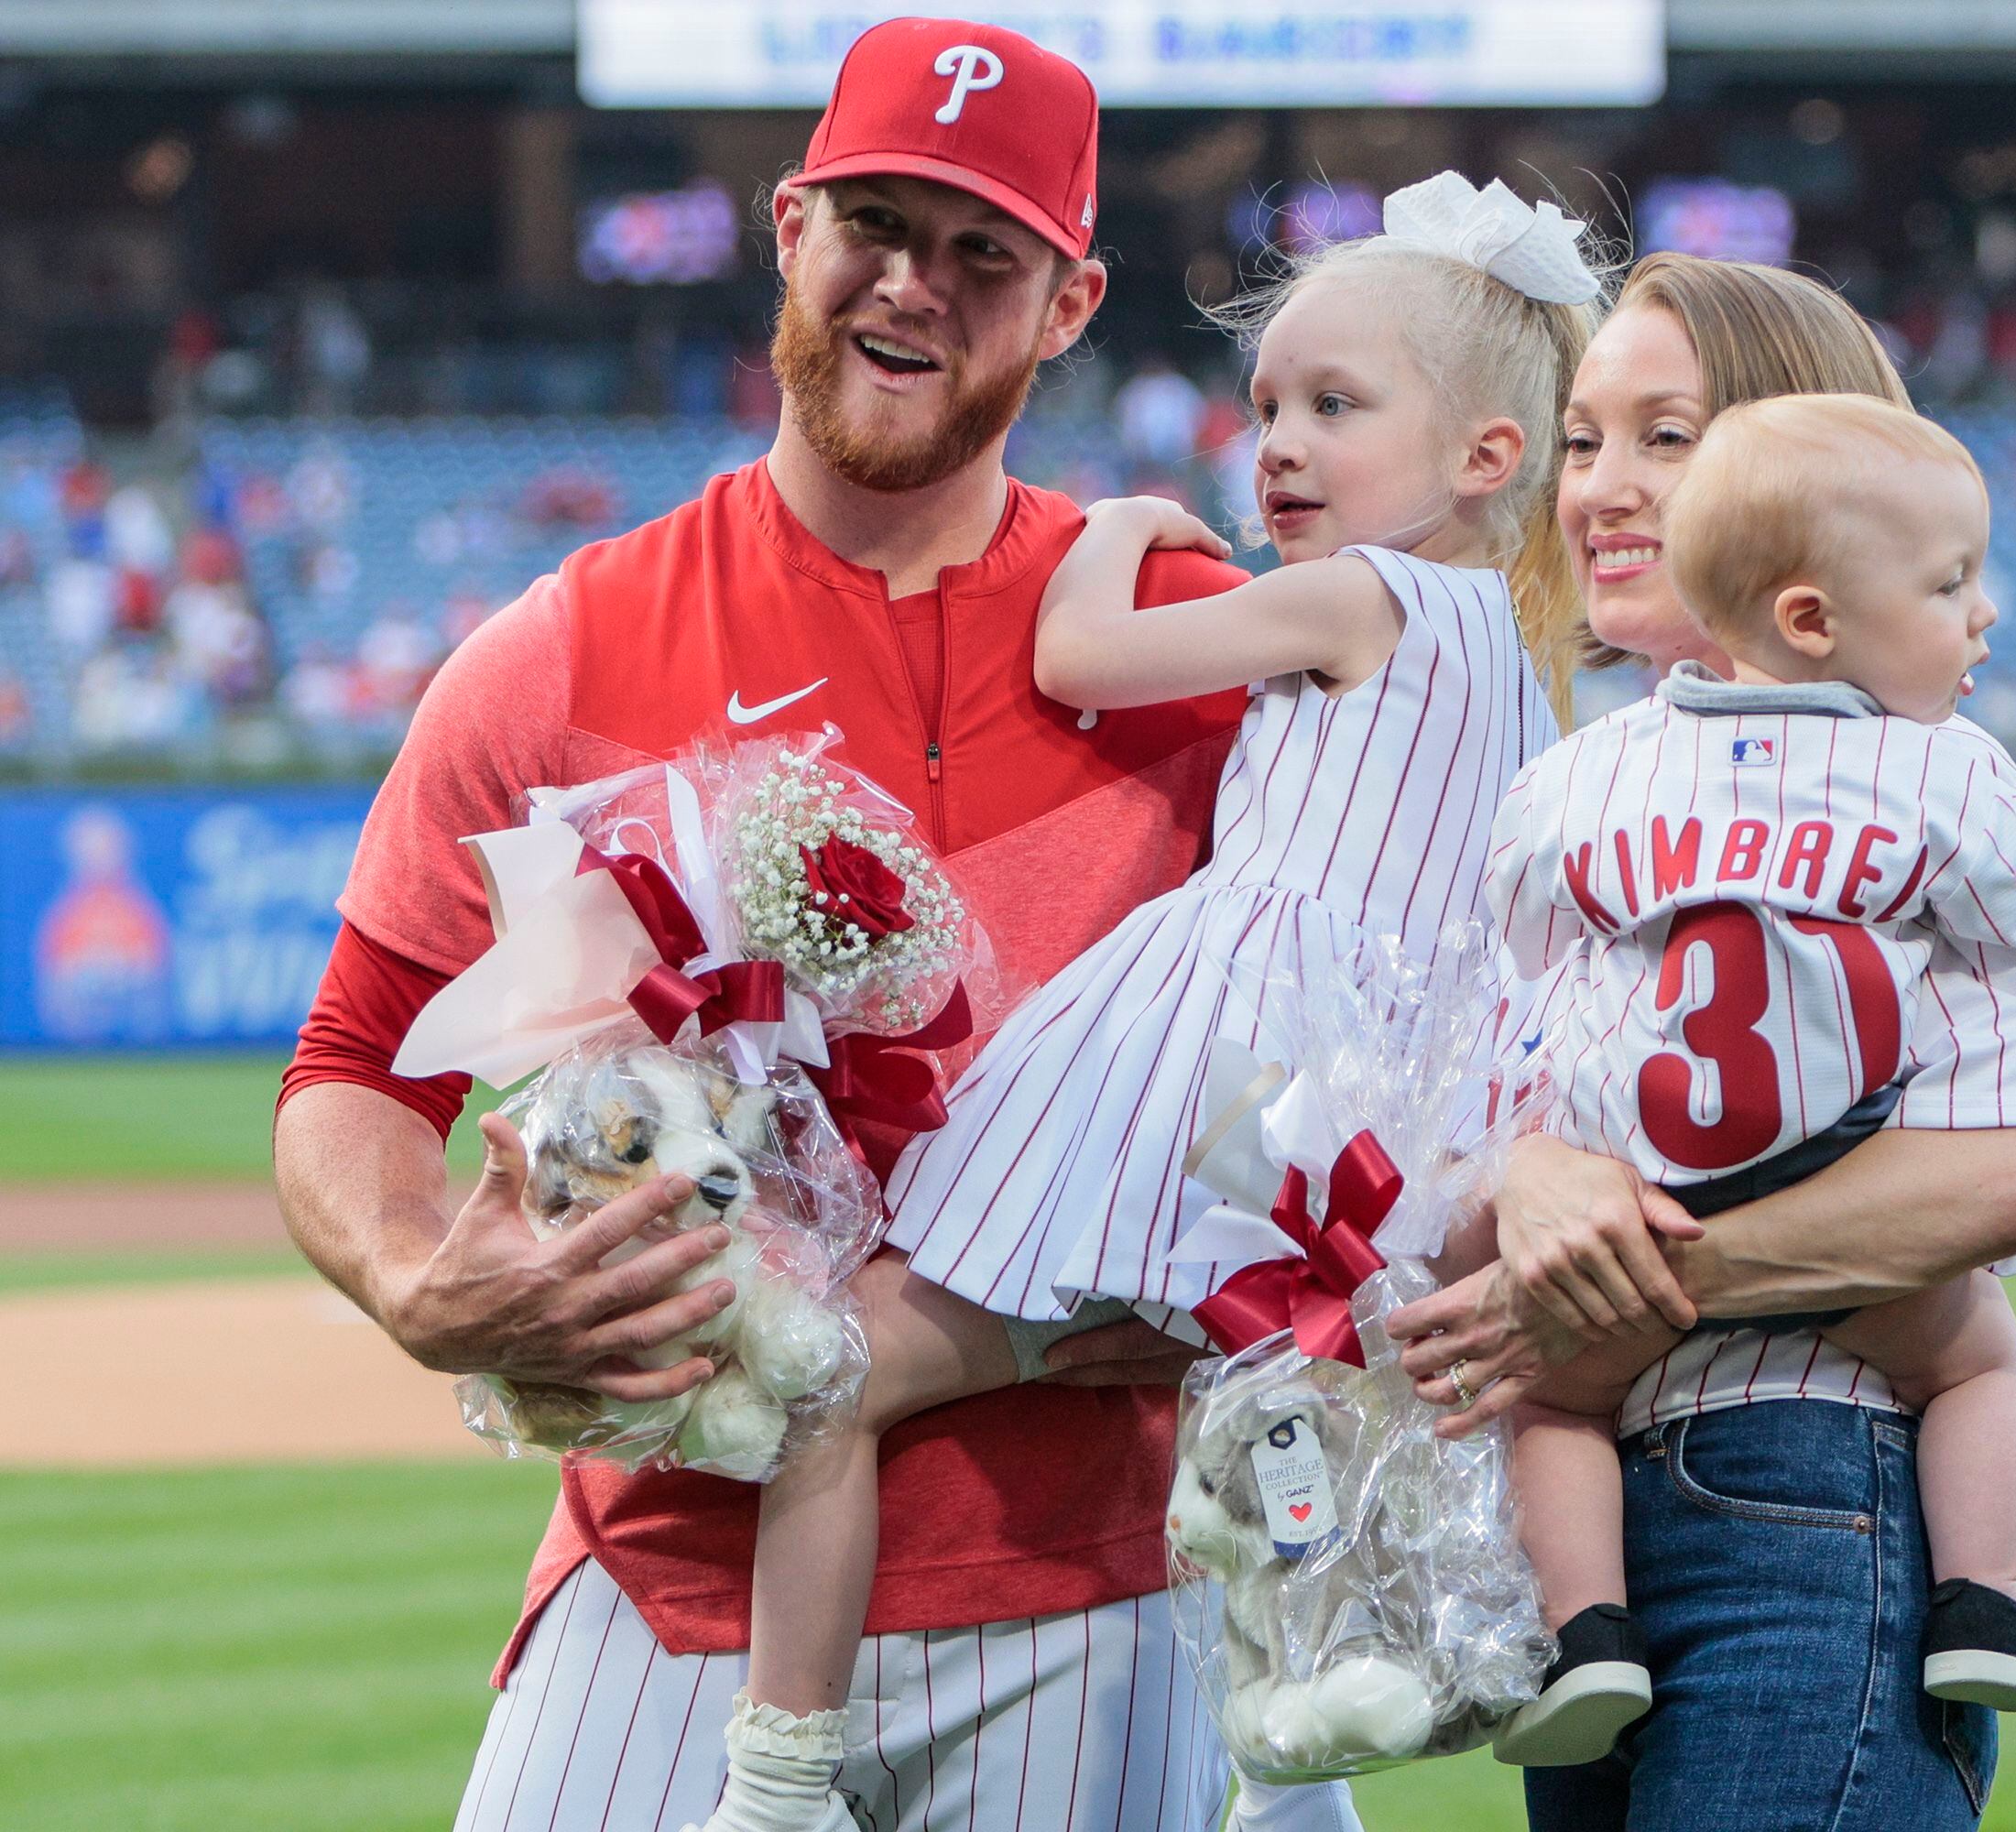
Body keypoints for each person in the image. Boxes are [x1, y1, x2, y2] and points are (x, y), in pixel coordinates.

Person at [272, 20, 1356, 1831]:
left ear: (1071, 304)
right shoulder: (567, 648)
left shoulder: (1204, 646)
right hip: (669, 1571)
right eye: (876, 223)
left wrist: (1248, 1265)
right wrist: (409, 1273)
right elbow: (354, 1065)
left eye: (984, 252)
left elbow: (1375, 1035)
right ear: (790, 228)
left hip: (1091, 1584)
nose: (913, 283)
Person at [710, 170, 1601, 1832]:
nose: (1278, 446)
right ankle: (1294, 1771)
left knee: (839, 1371)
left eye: (1335, 406)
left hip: (1228, 1081)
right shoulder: (1527, 672)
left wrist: (1115, 529)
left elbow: (1077, 660)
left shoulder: (1367, 594)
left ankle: (778, 1779)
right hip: (1380, 1120)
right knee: (1267, 1410)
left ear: (1489, 457)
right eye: (1267, 406)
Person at [1383, 253, 2016, 1832]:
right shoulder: (1585, 782)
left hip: (1808, 1485)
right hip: (1599, 1525)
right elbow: (1448, 1182)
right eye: (1584, 439)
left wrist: (1611, 1287)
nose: (1604, 487)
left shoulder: (1927, 777)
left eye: (1670, 436)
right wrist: (1524, 1173)